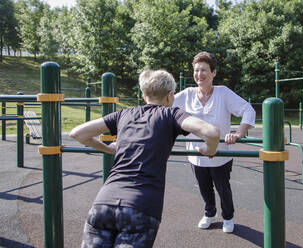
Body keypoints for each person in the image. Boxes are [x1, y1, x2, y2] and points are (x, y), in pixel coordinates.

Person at [69, 69, 220, 248]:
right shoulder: (171, 114)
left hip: (103, 203)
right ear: (170, 97)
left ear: (143, 95)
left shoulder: (123, 114)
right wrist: (209, 150)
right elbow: (211, 132)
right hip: (141, 207)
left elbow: (77, 133)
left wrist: (109, 150)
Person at [173, 51, 256, 233]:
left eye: (204, 70)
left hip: (220, 154)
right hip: (196, 155)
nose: (199, 74)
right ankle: (209, 213)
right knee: (204, 188)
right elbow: (164, 106)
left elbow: (248, 110)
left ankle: (228, 216)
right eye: (196, 70)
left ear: (213, 73)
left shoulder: (223, 93)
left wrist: (238, 133)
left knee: (222, 188)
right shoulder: (187, 94)